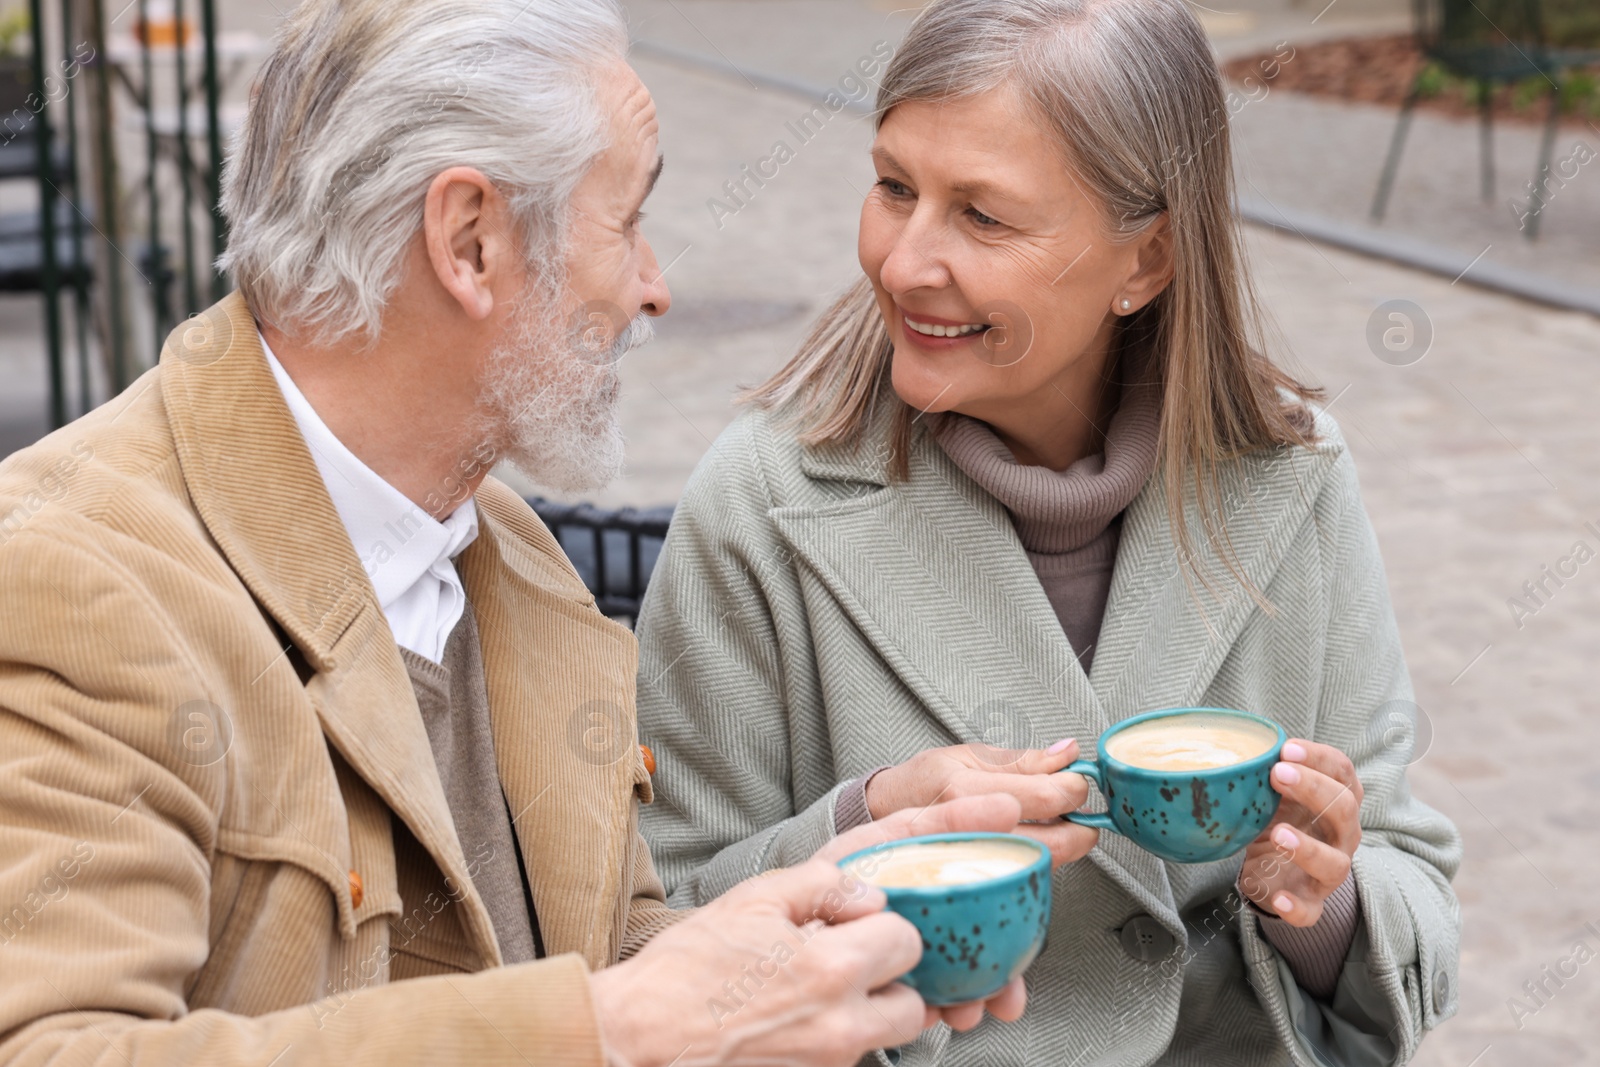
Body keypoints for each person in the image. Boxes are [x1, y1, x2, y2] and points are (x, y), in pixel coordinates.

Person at [0, 2, 1033, 1064]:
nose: (654, 289)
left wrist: (825, 917)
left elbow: (612, 962)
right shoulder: (70, 575)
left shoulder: (497, 540)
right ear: (470, 239)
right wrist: (612, 1028)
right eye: (627, 222)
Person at [633, 0, 1463, 1064]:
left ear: (1146, 261)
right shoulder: (755, 500)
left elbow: (1415, 898)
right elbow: (653, 920)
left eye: (982, 216)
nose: (900, 261)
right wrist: (863, 817)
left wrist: (1327, 897)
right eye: (894, 187)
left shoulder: (1295, 479)